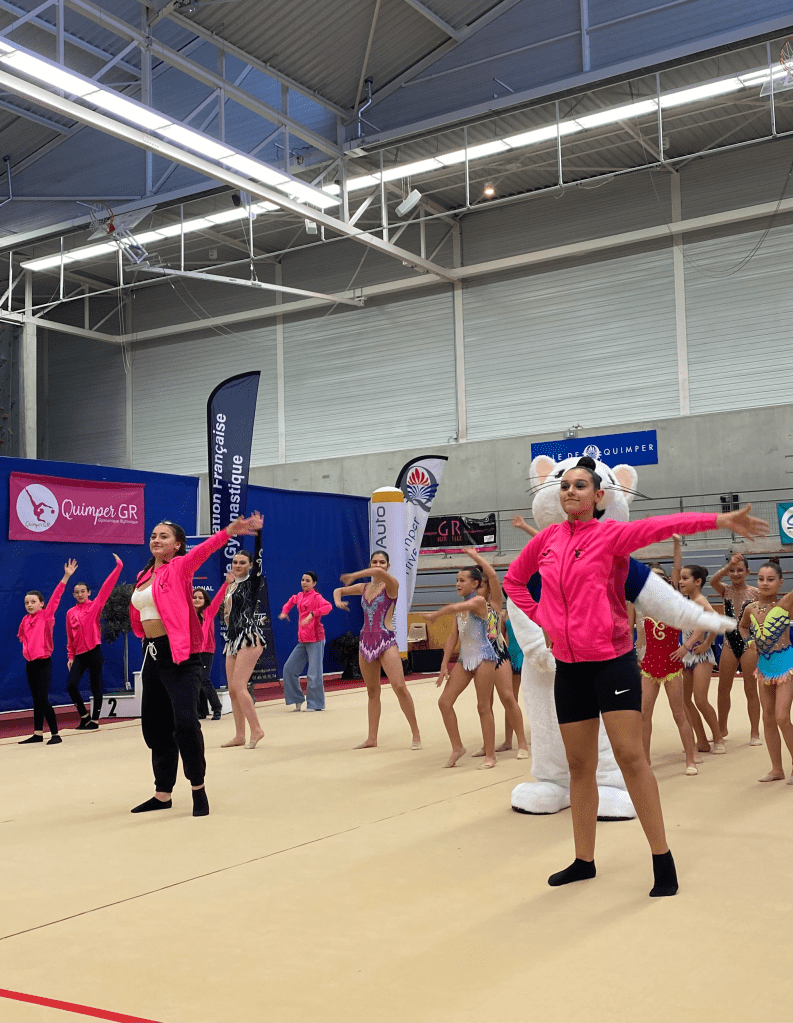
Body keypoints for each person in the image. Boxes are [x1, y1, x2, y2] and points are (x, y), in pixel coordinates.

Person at [502, 455, 767, 897]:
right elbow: (512, 581)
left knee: (630, 756)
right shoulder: (546, 540)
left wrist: (719, 518)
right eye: (565, 485)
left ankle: (662, 860)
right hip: (569, 668)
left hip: (612, 662)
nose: (570, 491)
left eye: (580, 486)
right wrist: (544, 619)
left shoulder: (611, 536)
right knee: (579, 765)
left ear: (599, 495)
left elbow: (662, 526)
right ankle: (583, 860)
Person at [128, 513, 262, 816]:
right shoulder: (144, 575)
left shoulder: (179, 567)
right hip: (151, 654)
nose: (156, 540)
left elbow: (205, 550)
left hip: (179, 656)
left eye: (164, 536)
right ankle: (163, 793)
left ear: (177, 545)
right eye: (153, 535)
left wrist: (230, 531)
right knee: (155, 727)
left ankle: (198, 789)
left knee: (185, 724)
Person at [334, 552, 422, 750]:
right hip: (365, 642)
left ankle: (415, 732)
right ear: (371, 563)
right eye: (375, 562)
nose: (378, 565)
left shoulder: (392, 585)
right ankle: (371, 738)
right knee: (372, 691)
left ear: (388, 566)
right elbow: (338, 590)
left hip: (385, 640)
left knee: (399, 686)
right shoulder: (364, 588)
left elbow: (374, 573)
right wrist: (338, 600)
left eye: (382, 562)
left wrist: (355, 574)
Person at [422, 564, 499, 768]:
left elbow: (456, 608)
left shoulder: (479, 601)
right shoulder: (462, 607)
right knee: (444, 702)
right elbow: (452, 637)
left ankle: (490, 755)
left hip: (484, 657)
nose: (457, 584)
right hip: (465, 659)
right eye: (456, 580)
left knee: (483, 706)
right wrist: (444, 665)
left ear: (475, 583)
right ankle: (457, 747)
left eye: (462, 580)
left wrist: (436, 614)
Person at [636, 539, 699, 775]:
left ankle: (690, 759)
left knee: (678, 712)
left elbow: (676, 567)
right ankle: (646, 761)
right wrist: (639, 652)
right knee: (644, 713)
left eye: (662, 579)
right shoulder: (642, 604)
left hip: (671, 663)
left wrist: (675, 544)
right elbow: (641, 634)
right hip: (649, 663)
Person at [462, 548, 529, 760]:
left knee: (508, 697)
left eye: (481, 586)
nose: (477, 590)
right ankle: (488, 744)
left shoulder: (494, 604)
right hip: (480, 658)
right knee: (485, 704)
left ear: (488, 589)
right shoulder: (468, 607)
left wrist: (475, 557)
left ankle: (522, 743)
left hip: (498, 656)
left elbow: (492, 575)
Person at [738, 558, 793, 783]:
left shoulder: (785, 604)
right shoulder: (750, 608)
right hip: (764, 667)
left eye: (771, 579)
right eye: (761, 579)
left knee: (781, 716)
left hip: (786, 665)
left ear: (781, 582)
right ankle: (777, 769)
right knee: (768, 718)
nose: (765, 583)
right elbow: (742, 627)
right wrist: (749, 641)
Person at [17, 559, 77, 745]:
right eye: (27, 602)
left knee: (42, 698)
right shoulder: (25, 620)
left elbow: (57, 597)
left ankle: (55, 734)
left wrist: (66, 576)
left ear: (41, 604)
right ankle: (37, 733)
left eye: (33, 602)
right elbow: (22, 637)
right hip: (31, 663)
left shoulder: (46, 616)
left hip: (43, 663)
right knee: (35, 698)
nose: (29, 605)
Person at [65, 553, 123, 730]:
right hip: (79, 655)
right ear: (73, 595)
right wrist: (70, 656)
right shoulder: (70, 613)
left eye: (83, 591)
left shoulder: (95, 606)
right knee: (71, 685)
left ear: (89, 592)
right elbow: (70, 637)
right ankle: (84, 716)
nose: (80, 594)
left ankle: (95, 720)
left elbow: (106, 587)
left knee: (95, 686)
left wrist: (118, 567)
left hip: (94, 652)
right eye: (77, 592)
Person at [222, 535, 268, 749]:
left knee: (240, 687)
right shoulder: (230, 585)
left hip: (249, 637)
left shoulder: (252, 582)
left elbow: (259, 559)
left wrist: (258, 535)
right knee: (232, 690)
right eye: (235, 562)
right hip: (232, 640)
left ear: (250, 565)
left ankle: (256, 729)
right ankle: (240, 734)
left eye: (243, 562)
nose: (238, 565)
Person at [672, 565, 725, 754]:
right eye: (680, 578)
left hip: (701, 655)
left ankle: (718, 738)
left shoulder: (701, 601)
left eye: (685, 578)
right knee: (686, 701)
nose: (680, 582)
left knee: (700, 699)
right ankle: (701, 740)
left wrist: (708, 643)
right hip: (687, 656)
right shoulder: (687, 601)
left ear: (698, 582)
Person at [710, 553, 761, 744]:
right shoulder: (725, 590)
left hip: (749, 643)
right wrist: (726, 567)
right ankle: (722, 729)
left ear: (747, 572)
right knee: (723, 688)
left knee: (750, 688)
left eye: (740, 570)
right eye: (732, 570)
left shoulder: (755, 593)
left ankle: (755, 732)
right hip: (730, 643)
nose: (736, 574)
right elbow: (713, 580)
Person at [279, 572, 332, 712]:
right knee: (289, 669)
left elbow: (328, 607)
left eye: (307, 580)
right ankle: (297, 700)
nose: (304, 582)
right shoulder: (300, 596)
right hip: (303, 640)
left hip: (316, 639)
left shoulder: (316, 597)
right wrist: (285, 612)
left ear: (314, 583)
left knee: (314, 673)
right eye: (302, 580)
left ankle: (316, 704)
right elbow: (290, 601)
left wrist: (313, 614)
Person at [192, 584, 226, 721]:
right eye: (194, 597)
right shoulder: (188, 614)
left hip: (206, 651)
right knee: (196, 680)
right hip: (192, 651)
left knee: (204, 679)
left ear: (205, 600)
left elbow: (218, 599)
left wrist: (225, 585)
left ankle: (217, 708)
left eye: (200, 597)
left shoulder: (208, 612)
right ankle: (202, 711)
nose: (197, 599)